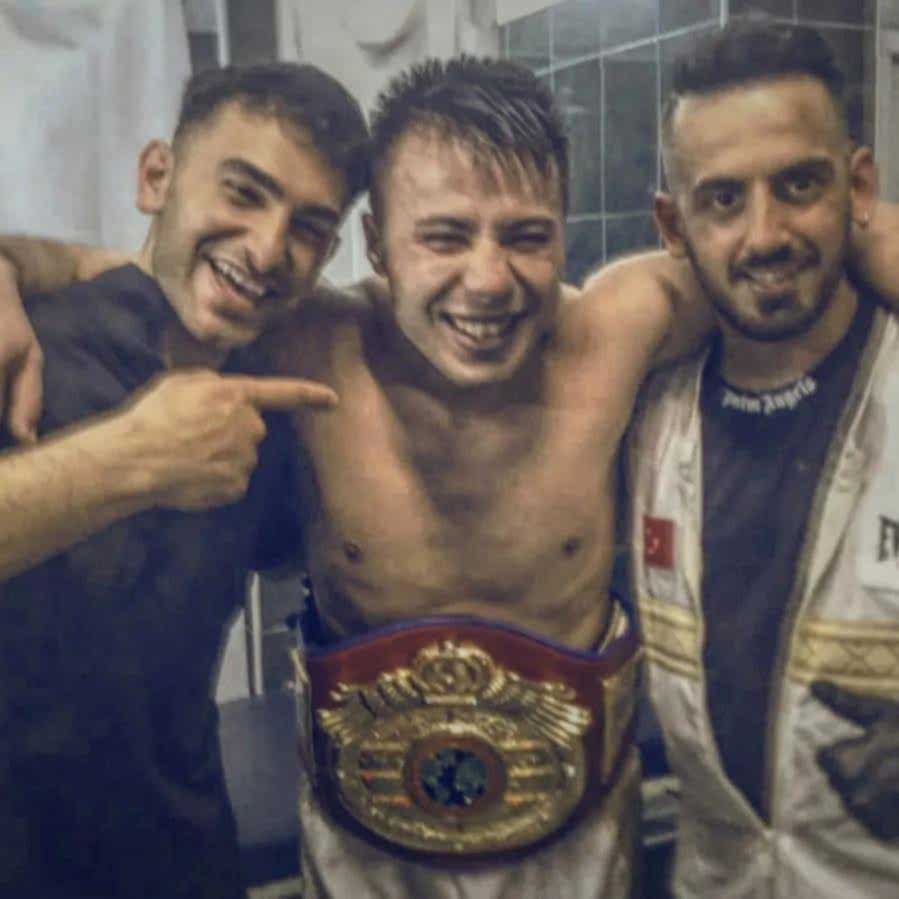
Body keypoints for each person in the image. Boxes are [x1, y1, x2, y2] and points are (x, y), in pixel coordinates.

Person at [0, 56, 717, 898]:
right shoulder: (311, 340)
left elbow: (779, 265)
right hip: (362, 860)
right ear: (376, 247)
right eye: (443, 236)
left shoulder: (622, 327)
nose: (487, 279)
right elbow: (161, 262)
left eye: (526, 236)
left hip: (574, 848)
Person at [0, 61, 369, 898]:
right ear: (155, 178)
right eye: (242, 192)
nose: (266, 248)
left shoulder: (275, 406)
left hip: (183, 857)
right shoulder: (25, 347)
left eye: (308, 227)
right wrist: (130, 458)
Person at [628, 20, 899, 897]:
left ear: (859, 185)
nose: (765, 233)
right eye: (721, 199)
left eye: (798, 184)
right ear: (672, 223)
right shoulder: (638, 419)